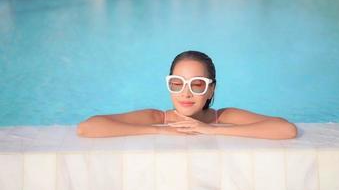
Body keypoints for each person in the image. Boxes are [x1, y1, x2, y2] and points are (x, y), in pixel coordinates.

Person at [77, 50, 297, 139]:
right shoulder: (158, 118)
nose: (186, 93)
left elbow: (286, 129)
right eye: (177, 83)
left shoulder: (223, 117)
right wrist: (159, 131)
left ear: (211, 89)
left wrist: (212, 131)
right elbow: (87, 127)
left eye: (197, 85)